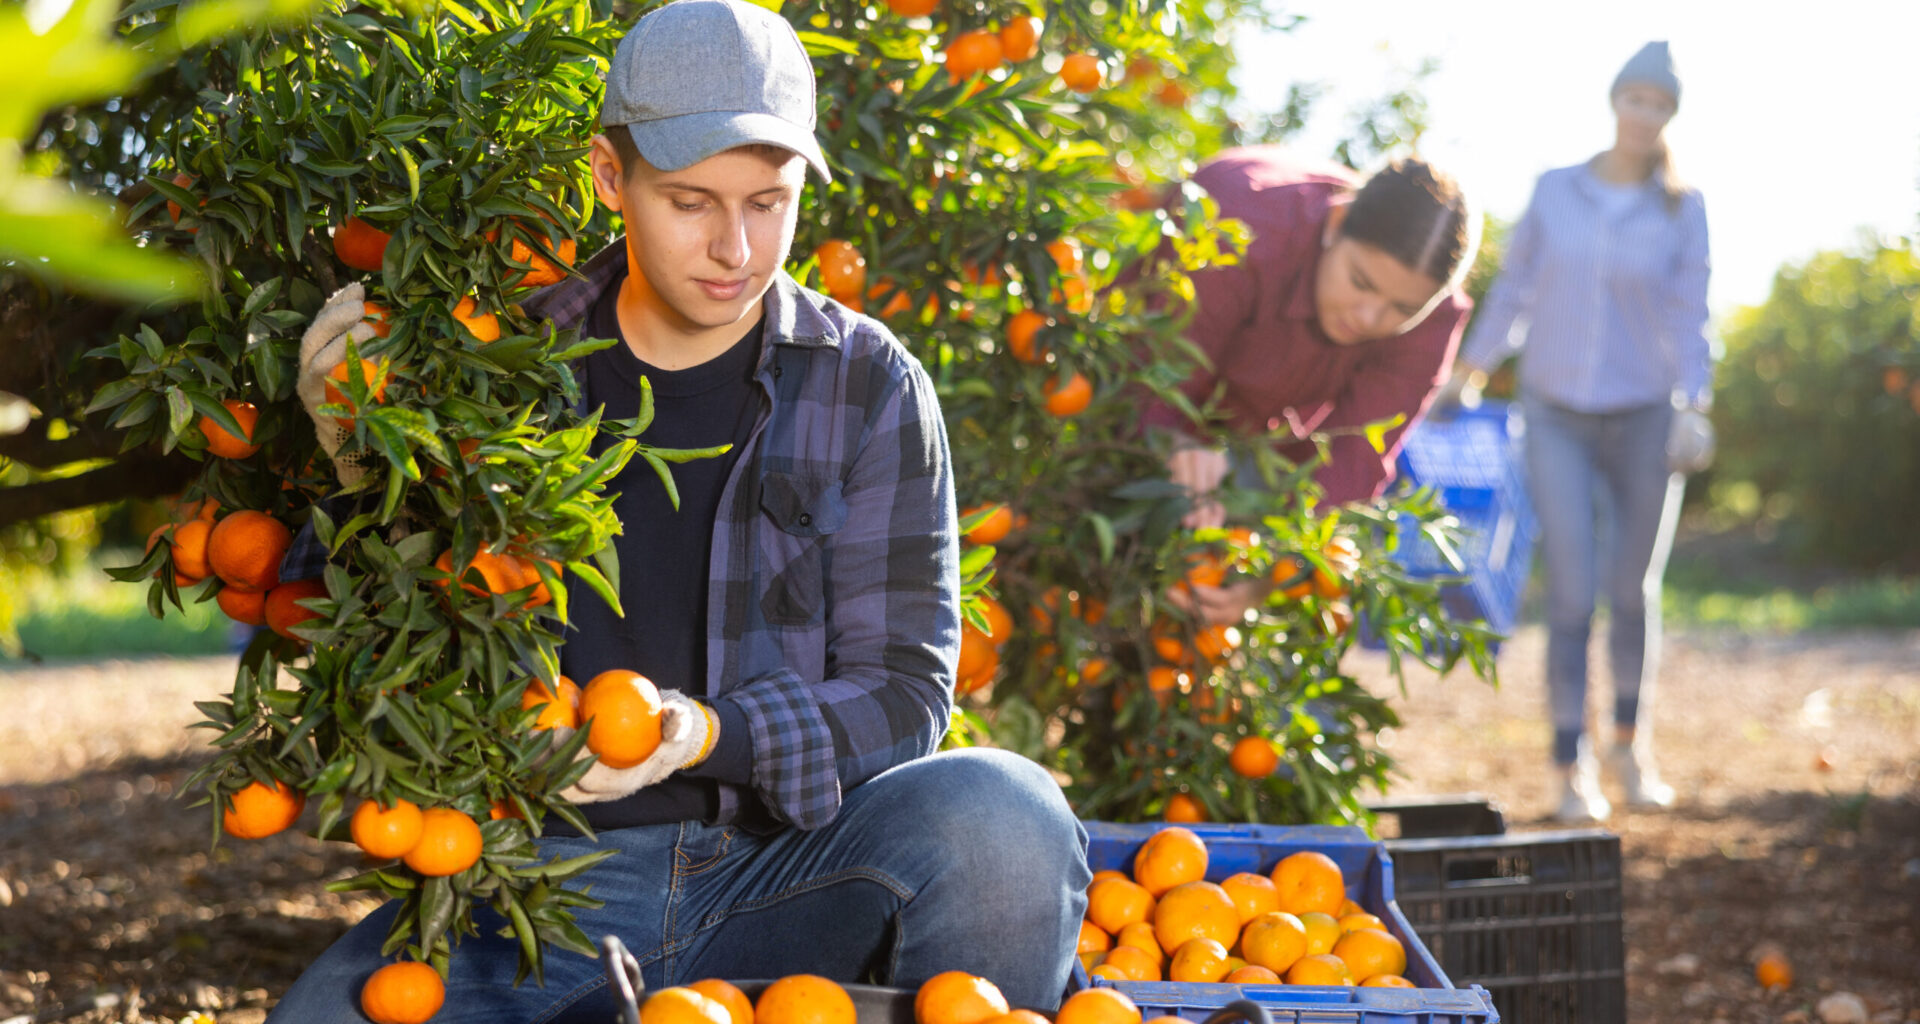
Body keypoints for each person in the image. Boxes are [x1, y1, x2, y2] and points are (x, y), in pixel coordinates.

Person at [269, 2, 1089, 1019]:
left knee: (1001, 816)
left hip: (785, 874)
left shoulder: (865, 381)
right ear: (613, 178)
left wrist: (702, 732)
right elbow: (347, 645)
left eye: (770, 202)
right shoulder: (502, 364)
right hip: (541, 893)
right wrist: (361, 461)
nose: (737, 247)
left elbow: (904, 695)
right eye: (693, 201)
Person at [1445, 41, 1712, 823]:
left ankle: (1631, 746)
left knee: (1632, 589)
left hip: (1644, 414)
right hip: (1556, 411)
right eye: (1634, 99)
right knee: (1570, 592)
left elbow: (1691, 312)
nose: (1644, 114)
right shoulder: (1557, 191)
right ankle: (1571, 766)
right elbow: (1515, 289)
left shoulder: (1680, 205)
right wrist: (1471, 368)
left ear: (1669, 115)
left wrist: (1696, 403)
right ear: (1615, 103)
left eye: (1658, 104)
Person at [1143, 147, 1480, 625]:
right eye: (1360, 282)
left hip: (1259, 442)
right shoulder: (1239, 221)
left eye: (1402, 310)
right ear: (1336, 223)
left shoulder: (1435, 320)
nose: (1369, 318)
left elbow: (1354, 460)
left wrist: (1272, 574)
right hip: (1139, 394)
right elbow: (1154, 374)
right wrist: (1172, 441)